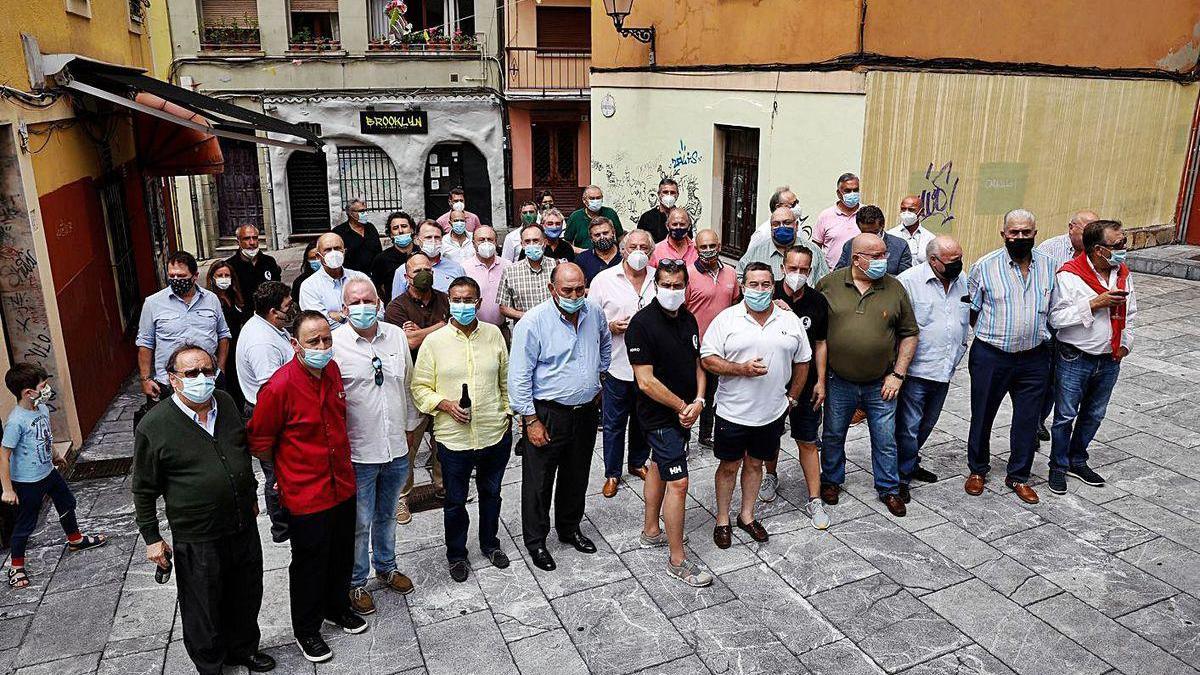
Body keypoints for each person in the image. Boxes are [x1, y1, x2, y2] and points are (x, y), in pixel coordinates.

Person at [131, 346, 271, 674]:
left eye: (208, 371)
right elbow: (143, 488)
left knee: (247, 590)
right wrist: (152, 538)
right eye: (192, 373)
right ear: (173, 380)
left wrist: (249, 493)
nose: (202, 379)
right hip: (198, 534)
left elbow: (239, 450)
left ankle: (243, 649)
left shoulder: (224, 402)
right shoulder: (155, 426)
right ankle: (211, 665)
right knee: (203, 606)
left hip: (241, 523)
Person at [247, 310, 366, 663]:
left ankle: (337, 606)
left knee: (341, 551)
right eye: (313, 341)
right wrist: (285, 473)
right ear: (295, 345)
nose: (322, 346)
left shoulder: (331, 370)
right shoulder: (279, 386)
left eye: (327, 339)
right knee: (309, 562)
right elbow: (260, 440)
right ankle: (307, 629)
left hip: (341, 483)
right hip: (305, 492)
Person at [509, 263, 612, 572]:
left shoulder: (594, 312)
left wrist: (600, 377)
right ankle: (536, 541)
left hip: (584, 412)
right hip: (547, 413)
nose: (574, 295)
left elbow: (605, 343)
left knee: (576, 474)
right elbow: (518, 377)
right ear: (551, 290)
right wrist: (530, 420)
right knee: (539, 481)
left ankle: (569, 528)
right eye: (567, 290)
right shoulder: (533, 322)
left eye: (580, 289)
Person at [700, 262, 811, 548]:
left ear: (772, 286)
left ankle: (746, 516)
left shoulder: (790, 321)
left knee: (756, 464)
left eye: (765, 285)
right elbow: (707, 358)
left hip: (771, 411)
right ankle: (722, 519)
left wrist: (793, 397)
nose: (759, 290)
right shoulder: (727, 319)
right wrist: (741, 369)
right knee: (728, 466)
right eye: (753, 284)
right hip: (732, 411)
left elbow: (803, 360)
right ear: (743, 287)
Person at [411, 277, 513, 582]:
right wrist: (444, 404)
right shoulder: (434, 342)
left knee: (491, 494)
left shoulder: (494, 335)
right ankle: (456, 554)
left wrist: (508, 413)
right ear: (449, 303)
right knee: (455, 501)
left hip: (494, 432)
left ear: (479, 303)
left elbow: (506, 380)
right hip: (454, 440)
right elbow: (419, 388)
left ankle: (490, 544)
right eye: (457, 300)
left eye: (469, 300)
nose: (463, 305)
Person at [332, 279, 420, 615]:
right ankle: (356, 583)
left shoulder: (395, 335)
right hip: (359, 451)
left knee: (387, 515)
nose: (362, 306)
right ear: (343, 308)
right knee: (359, 521)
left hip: (396, 445)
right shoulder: (335, 345)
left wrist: (410, 428)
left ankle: (386, 567)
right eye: (354, 302)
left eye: (368, 299)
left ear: (379, 302)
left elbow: (408, 384)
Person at [815, 234, 918, 517]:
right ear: (856, 258)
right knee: (834, 434)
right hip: (839, 380)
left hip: (881, 382)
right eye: (875, 256)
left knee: (885, 438)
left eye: (884, 254)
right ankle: (831, 480)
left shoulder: (894, 288)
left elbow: (910, 334)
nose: (882, 260)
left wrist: (898, 375)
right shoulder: (829, 284)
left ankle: (888, 488)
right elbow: (812, 325)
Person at [626, 261, 713, 587]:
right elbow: (645, 381)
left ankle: (651, 530)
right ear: (656, 285)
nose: (673, 291)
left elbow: (698, 363)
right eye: (667, 285)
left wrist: (700, 401)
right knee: (679, 483)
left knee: (659, 467)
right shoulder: (642, 325)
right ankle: (677, 561)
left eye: (679, 286)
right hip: (660, 417)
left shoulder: (688, 318)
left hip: (685, 414)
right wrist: (681, 406)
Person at [965, 209, 1057, 505]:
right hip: (992, 356)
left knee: (1029, 419)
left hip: (1034, 357)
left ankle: (1019, 475)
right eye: (1014, 232)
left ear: (1035, 233)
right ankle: (978, 469)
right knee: (982, 415)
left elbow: (1055, 308)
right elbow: (972, 310)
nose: (1019, 237)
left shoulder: (1049, 266)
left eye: (1025, 233)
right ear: (1003, 233)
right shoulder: (985, 266)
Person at [1046, 219, 1135, 494]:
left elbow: (1131, 313)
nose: (1123, 249)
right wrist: (1094, 304)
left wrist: (1125, 343)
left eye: (1124, 243)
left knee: (1094, 414)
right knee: (1064, 415)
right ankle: (1057, 466)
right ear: (1099, 249)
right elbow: (1056, 318)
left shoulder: (1122, 273)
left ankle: (1077, 460)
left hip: (1110, 358)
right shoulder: (1069, 276)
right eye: (1118, 244)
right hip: (1076, 357)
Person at [4, 364, 107, 590]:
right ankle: (16, 566)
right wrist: (8, 488)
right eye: (43, 386)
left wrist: (55, 454)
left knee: (67, 502)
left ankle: (75, 539)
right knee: (25, 523)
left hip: (48, 471)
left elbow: (45, 436)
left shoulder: (40, 409)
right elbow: (3, 455)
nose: (47, 388)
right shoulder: (16, 421)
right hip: (28, 481)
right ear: (28, 392)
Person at [895, 236, 968, 498]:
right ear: (933, 261)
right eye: (952, 261)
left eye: (960, 258)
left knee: (927, 423)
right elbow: (899, 328)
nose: (958, 264)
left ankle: (911, 462)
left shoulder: (962, 280)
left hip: (946, 367)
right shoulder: (909, 282)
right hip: (917, 370)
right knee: (909, 426)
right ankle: (900, 476)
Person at [767, 247, 831, 528]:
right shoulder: (768, 295)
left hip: (805, 386)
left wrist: (820, 380)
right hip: (772, 382)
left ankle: (814, 498)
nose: (797, 274)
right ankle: (770, 475)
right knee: (770, 436)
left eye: (804, 270)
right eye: (793, 268)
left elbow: (820, 343)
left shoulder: (818, 302)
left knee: (807, 439)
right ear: (783, 268)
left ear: (811, 271)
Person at [588, 229, 656, 497]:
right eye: (633, 246)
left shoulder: (658, 278)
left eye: (644, 247)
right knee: (614, 422)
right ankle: (612, 473)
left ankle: (638, 462)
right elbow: (589, 320)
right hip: (617, 365)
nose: (638, 251)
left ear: (650, 251)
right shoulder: (604, 280)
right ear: (623, 250)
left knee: (643, 419)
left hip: (650, 367)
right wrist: (610, 326)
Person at [383, 254, 447, 513]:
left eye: (427, 269)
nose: (423, 273)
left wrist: (420, 332)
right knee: (410, 441)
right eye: (417, 270)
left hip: (443, 377)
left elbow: (454, 329)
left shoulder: (444, 298)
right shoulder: (396, 307)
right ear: (406, 276)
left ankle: (444, 486)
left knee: (443, 439)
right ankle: (402, 496)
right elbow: (407, 342)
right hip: (413, 381)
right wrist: (440, 326)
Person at [236, 281, 295, 543]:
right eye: (287, 306)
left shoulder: (269, 327)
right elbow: (271, 391)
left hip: (272, 408)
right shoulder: (262, 343)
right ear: (273, 311)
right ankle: (282, 527)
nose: (291, 309)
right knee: (276, 473)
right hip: (268, 413)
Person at [1035, 209, 1100, 441]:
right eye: (1087, 230)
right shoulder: (1049, 249)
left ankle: (1040, 419)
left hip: (1080, 324)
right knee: (1043, 374)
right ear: (1071, 227)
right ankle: (1033, 422)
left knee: (1057, 379)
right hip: (1051, 320)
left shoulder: (1098, 253)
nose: (1093, 236)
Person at [137, 251, 231, 409]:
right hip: (170, 383)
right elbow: (145, 343)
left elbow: (223, 336)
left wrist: (220, 369)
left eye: (181, 276)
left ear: (195, 276)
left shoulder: (211, 299)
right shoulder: (153, 303)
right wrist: (145, 379)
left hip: (207, 379)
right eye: (172, 276)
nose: (175, 280)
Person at [685, 229, 740, 448]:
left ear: (719, 247)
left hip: (720, 345)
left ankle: (706, 434)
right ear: (696, 249)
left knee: (713, 390)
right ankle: (684, 437)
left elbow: (735, 303)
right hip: (694, 343)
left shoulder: (731, 273)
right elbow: (681, 310)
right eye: (703, 247)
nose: (708, 251)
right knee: (691, 392)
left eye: (712, 246)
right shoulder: (688, 274)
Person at [738, 205, 828, 284]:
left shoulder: (814, 251)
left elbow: (825, 284)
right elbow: (738, 279)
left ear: (796, 226)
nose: (782, 227)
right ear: (771, 227)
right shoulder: (755, 253)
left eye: (787, 223)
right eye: (776, 224)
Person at [299, 233, 371, 325]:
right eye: (328, 250)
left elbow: (378, 310)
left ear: (344, 252)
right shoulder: (309, 286)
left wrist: (338, 316)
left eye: (337, 248)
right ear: (318, 256)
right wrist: (356, 316)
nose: (333, 253)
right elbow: (319, 323)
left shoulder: (360, 278)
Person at [207, 260, 248, 410]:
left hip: (237, 346)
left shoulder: (233, 296)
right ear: (212, 278)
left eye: (227, 275)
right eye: (220, 275)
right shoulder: (211, 300)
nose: (224, 278)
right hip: (223, 348)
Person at [498, 224, 558, 324]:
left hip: (553, 327)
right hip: (525, 329)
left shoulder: (556, 266)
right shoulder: (510, 271)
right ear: (522, 245)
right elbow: (504, 307)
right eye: (527, 241)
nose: (532, 245)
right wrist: (528, 317)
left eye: (535, 241)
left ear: (544, 242)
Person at [391, 221, 466, 298]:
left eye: (437, 237)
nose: (433, 241)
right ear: (417, 240)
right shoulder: (403, 270)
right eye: (428, 237)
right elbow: (397, 304)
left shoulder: (456, 268)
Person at [835, 205, 912, 275]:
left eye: (874, 232)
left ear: (883, 225)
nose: (870, 237)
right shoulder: (850, 244)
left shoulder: (900, 246)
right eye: (865, 232)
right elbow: (838, 274)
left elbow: (905, 279)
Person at [461, 225, 511, 334]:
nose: (486, 243)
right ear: (473, 244)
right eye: (481, 240)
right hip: (473, 330)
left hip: (501, 329)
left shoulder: (508, 265)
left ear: (496, 242)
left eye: (490, 240)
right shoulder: (464, 268)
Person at [812, 172, 863, 269]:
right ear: (839, 193)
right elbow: (815, 248)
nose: (852, 194)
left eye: (855, 190)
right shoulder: (825, 216)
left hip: (862, 274)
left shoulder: (866, 213)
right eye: (848, 191)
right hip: (831, 274)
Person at [225, 225, 283, 303]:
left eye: (255, 238)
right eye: (246, 238)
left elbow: (278, 289)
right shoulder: (230, 265)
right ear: (238, 241)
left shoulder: (269, 261)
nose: (252, 242)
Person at [370, 211, 416, 301]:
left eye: (404, 226)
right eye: (395, 228)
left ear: (412, 230)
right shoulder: (382, 259)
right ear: (391, 234)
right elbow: (377, 288)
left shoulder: (421, 254)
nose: (400, 231)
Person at [333, 197, 383, 273]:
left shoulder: (371, 228)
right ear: (350, 213)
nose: (365, 214)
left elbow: (379, 252)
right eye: (361, 211)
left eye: (366, 210)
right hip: (351, 277)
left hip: (373, 276)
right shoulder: (339, 232)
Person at [565, 185, 623, 250]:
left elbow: (620, 237)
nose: (596, 201)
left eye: (598, 198)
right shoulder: (575, 217)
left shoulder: (610, 213)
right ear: (584, 200)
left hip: (609, 254)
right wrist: (582, 252)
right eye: (592, 198)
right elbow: (567, 243)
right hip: (583, 256)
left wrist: (621, 251)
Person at [887, 196, 936, 265]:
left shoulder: (930, 239)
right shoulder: (890, 235)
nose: (906, 213)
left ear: (921, 212)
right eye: (903, 209)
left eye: (911, 210)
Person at [575, 216, 622, 284]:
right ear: (591, 238)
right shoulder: (582, 259)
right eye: (597, 235)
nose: (602, 237)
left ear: (613, 233)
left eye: (605, 233)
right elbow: (577, 287)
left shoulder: (624, 256)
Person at [635, 177, 679, 243]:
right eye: (665, 192)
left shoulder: (683, 217)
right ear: (659, 194)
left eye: (672, 192)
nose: (669, 196)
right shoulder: (646, 217)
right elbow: (640, 241)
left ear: (677, 195)